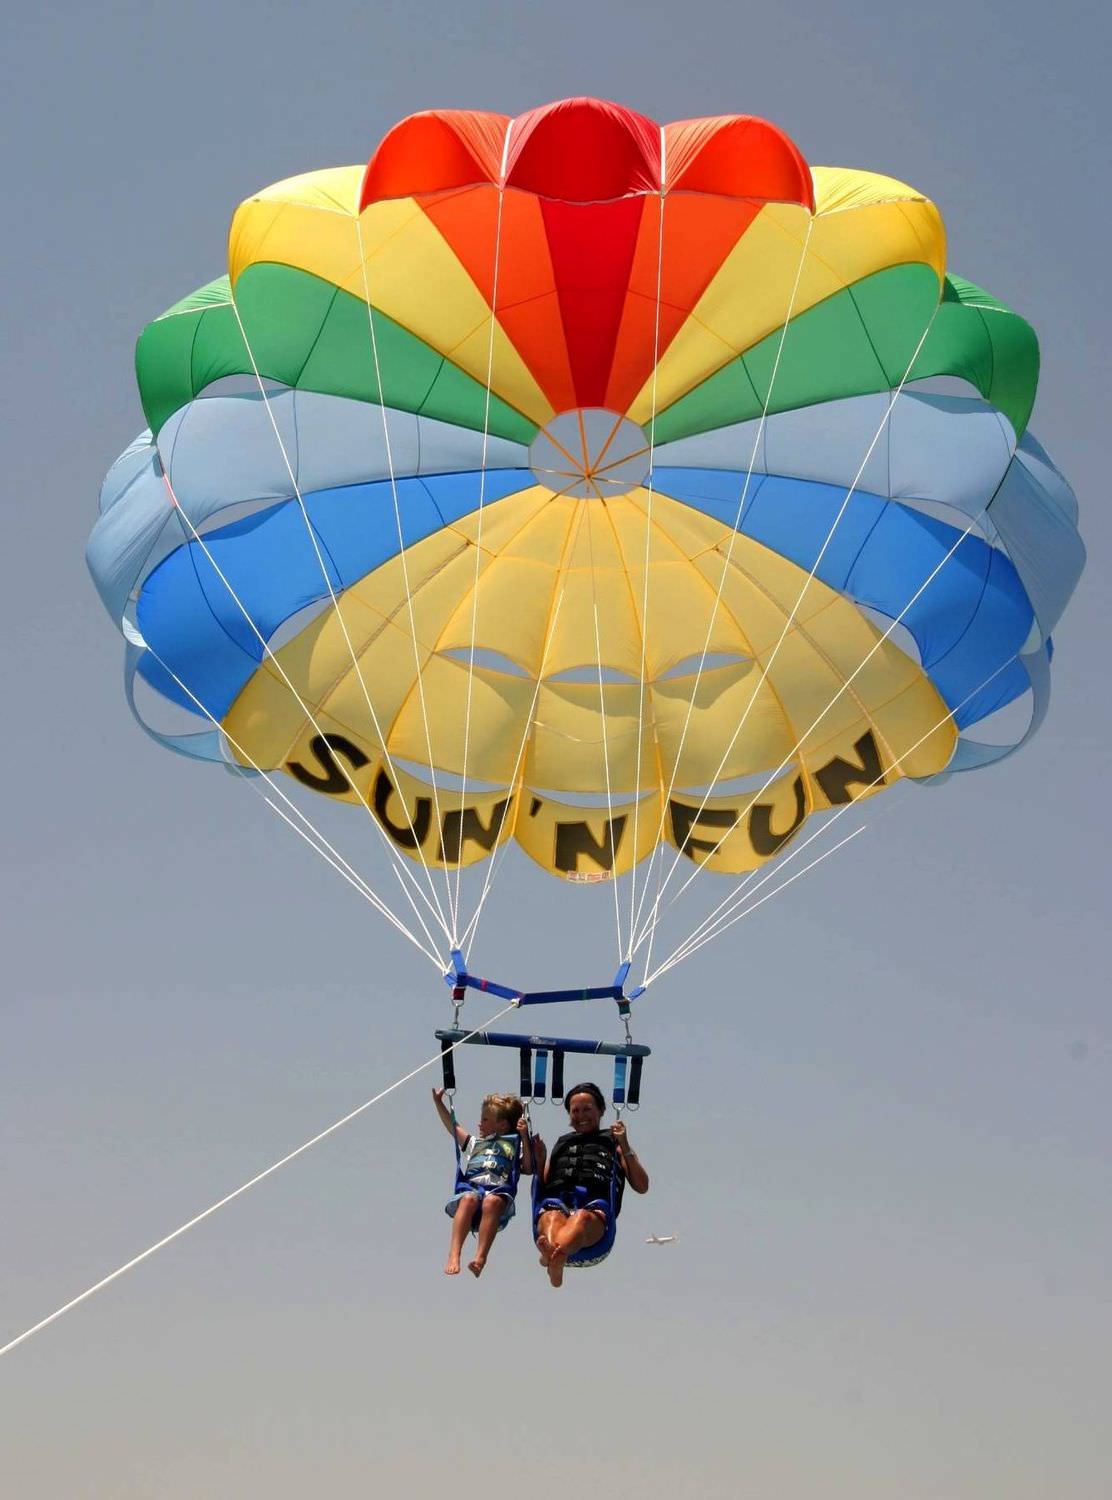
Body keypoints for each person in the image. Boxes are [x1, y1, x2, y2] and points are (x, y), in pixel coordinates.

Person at [531, 1081, 649, 1288]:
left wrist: (625, 1144)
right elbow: (542, 1186)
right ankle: (552, 1256)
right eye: (575, 1111)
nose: (581, 1115)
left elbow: (642, 1186)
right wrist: (540, 1161)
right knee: (551, 1216)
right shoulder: (562, 1143)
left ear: (601, 1110)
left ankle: (552, 1257)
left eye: (587, 1109)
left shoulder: (615, 1142)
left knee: (581, 1217)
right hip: (558, 1207)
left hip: (595, 1220)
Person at [432, 1088, 533, 1278]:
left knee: (491, 1201)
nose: (480, 1123)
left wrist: (525, 1137)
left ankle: (480, 1257)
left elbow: (528, 1167)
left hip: (497, 1194)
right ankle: (454, 1254)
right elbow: (453, 1127)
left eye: (486, 1119)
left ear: (502, 1125)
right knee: (468, 1198)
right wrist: (439, 1103)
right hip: (473, 1191)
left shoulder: (514, 1144)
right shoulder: (474, 1144)